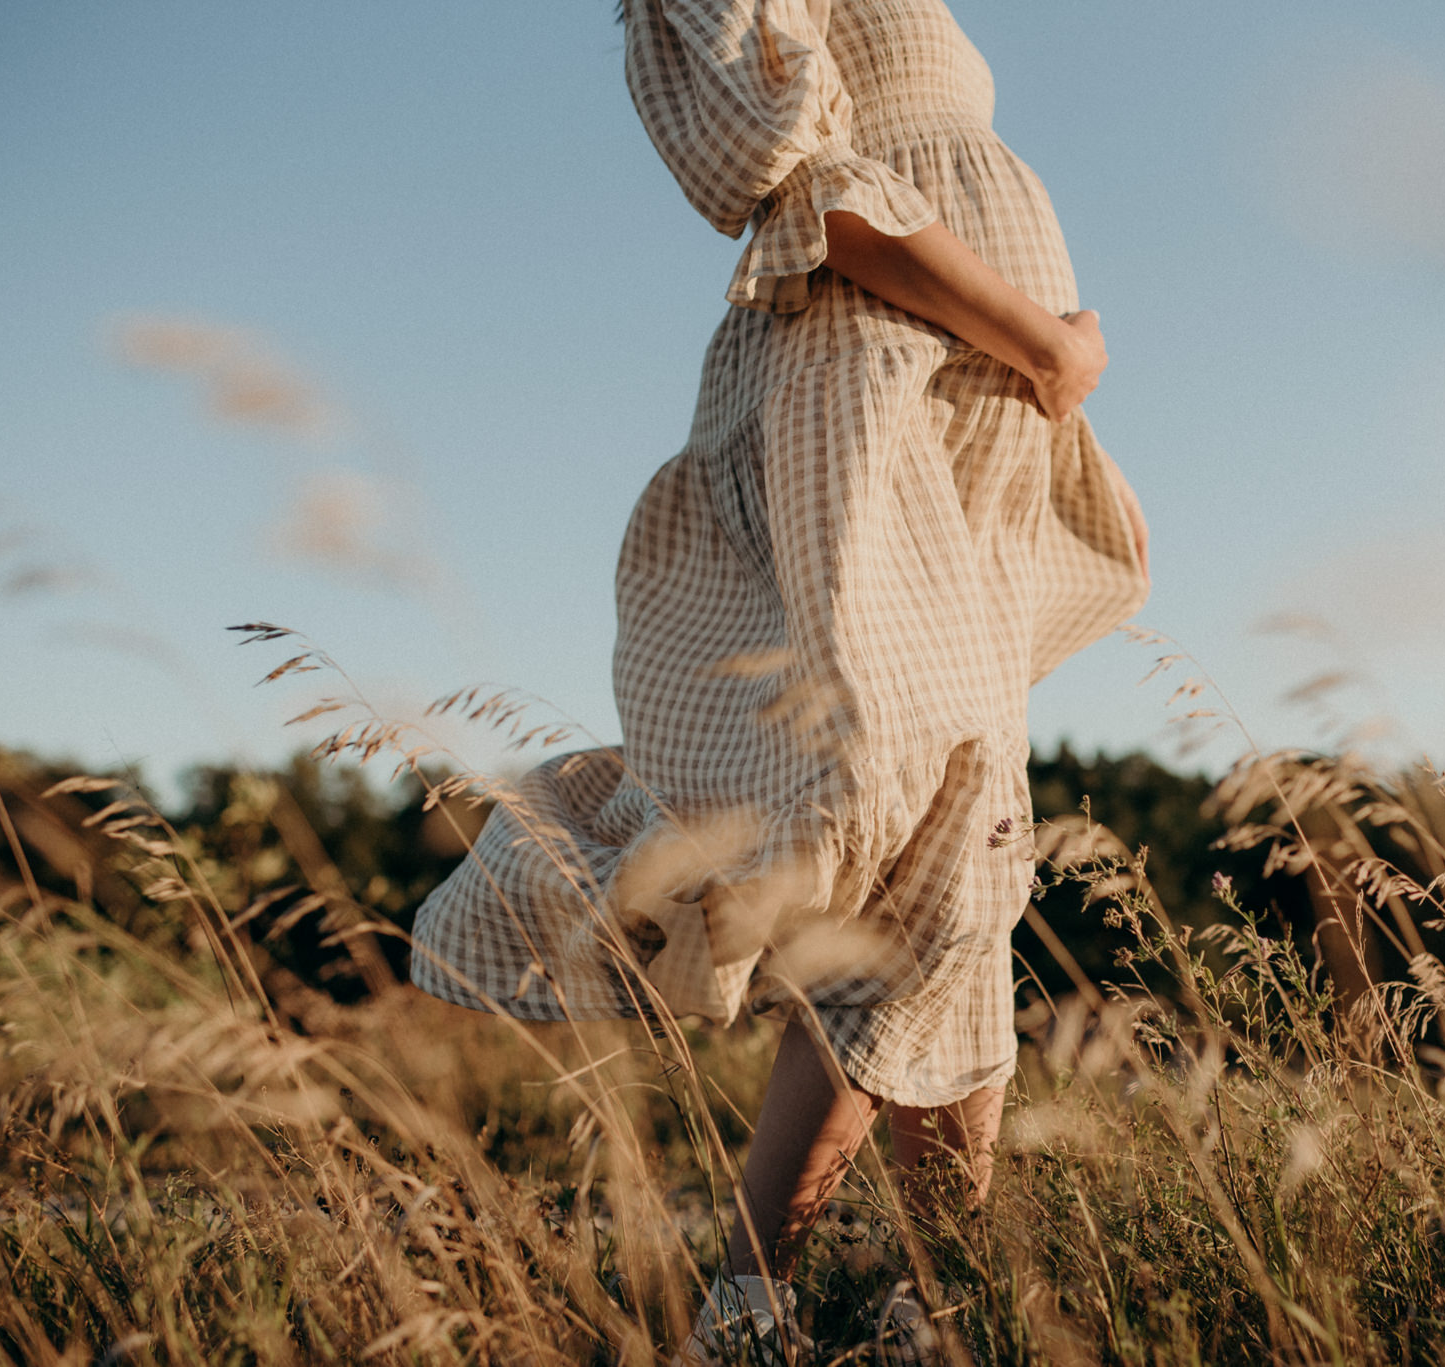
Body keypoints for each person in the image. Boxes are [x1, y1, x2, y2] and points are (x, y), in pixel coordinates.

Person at [410, 0, 1148, 1354]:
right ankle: (770, 1300)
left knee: (957, 841)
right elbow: (797, 179)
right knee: (879, 804)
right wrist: (1043, 345)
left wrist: (1027, 360)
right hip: (879, 373)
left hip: (958, 397)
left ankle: (925, 1302)